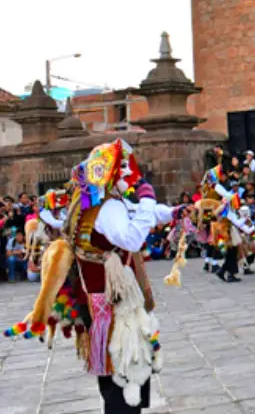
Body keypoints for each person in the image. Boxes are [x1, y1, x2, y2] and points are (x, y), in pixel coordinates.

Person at [3, 139, 162, 413]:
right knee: (123, 368)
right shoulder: (107, 209)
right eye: (122, 167)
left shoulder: (91, 206)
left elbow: (133, 221)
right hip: (112, 303)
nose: (128, 173)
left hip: (99, 299)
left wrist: (169, 212)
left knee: (118, 370)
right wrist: (147, 198)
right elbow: (133, 238)